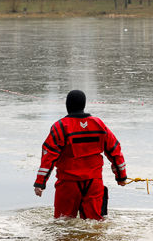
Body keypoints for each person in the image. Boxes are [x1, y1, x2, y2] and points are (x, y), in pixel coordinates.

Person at [34, 90, 128, 220]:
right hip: (94, 183)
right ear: (84, 105)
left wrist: (40, 183)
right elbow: (115, 151)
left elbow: (48, 156)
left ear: (67, 105)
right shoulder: (99, 124)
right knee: (94, 224)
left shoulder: (60, 126)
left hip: (68, 184)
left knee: (63, 224)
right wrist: (121, 177)